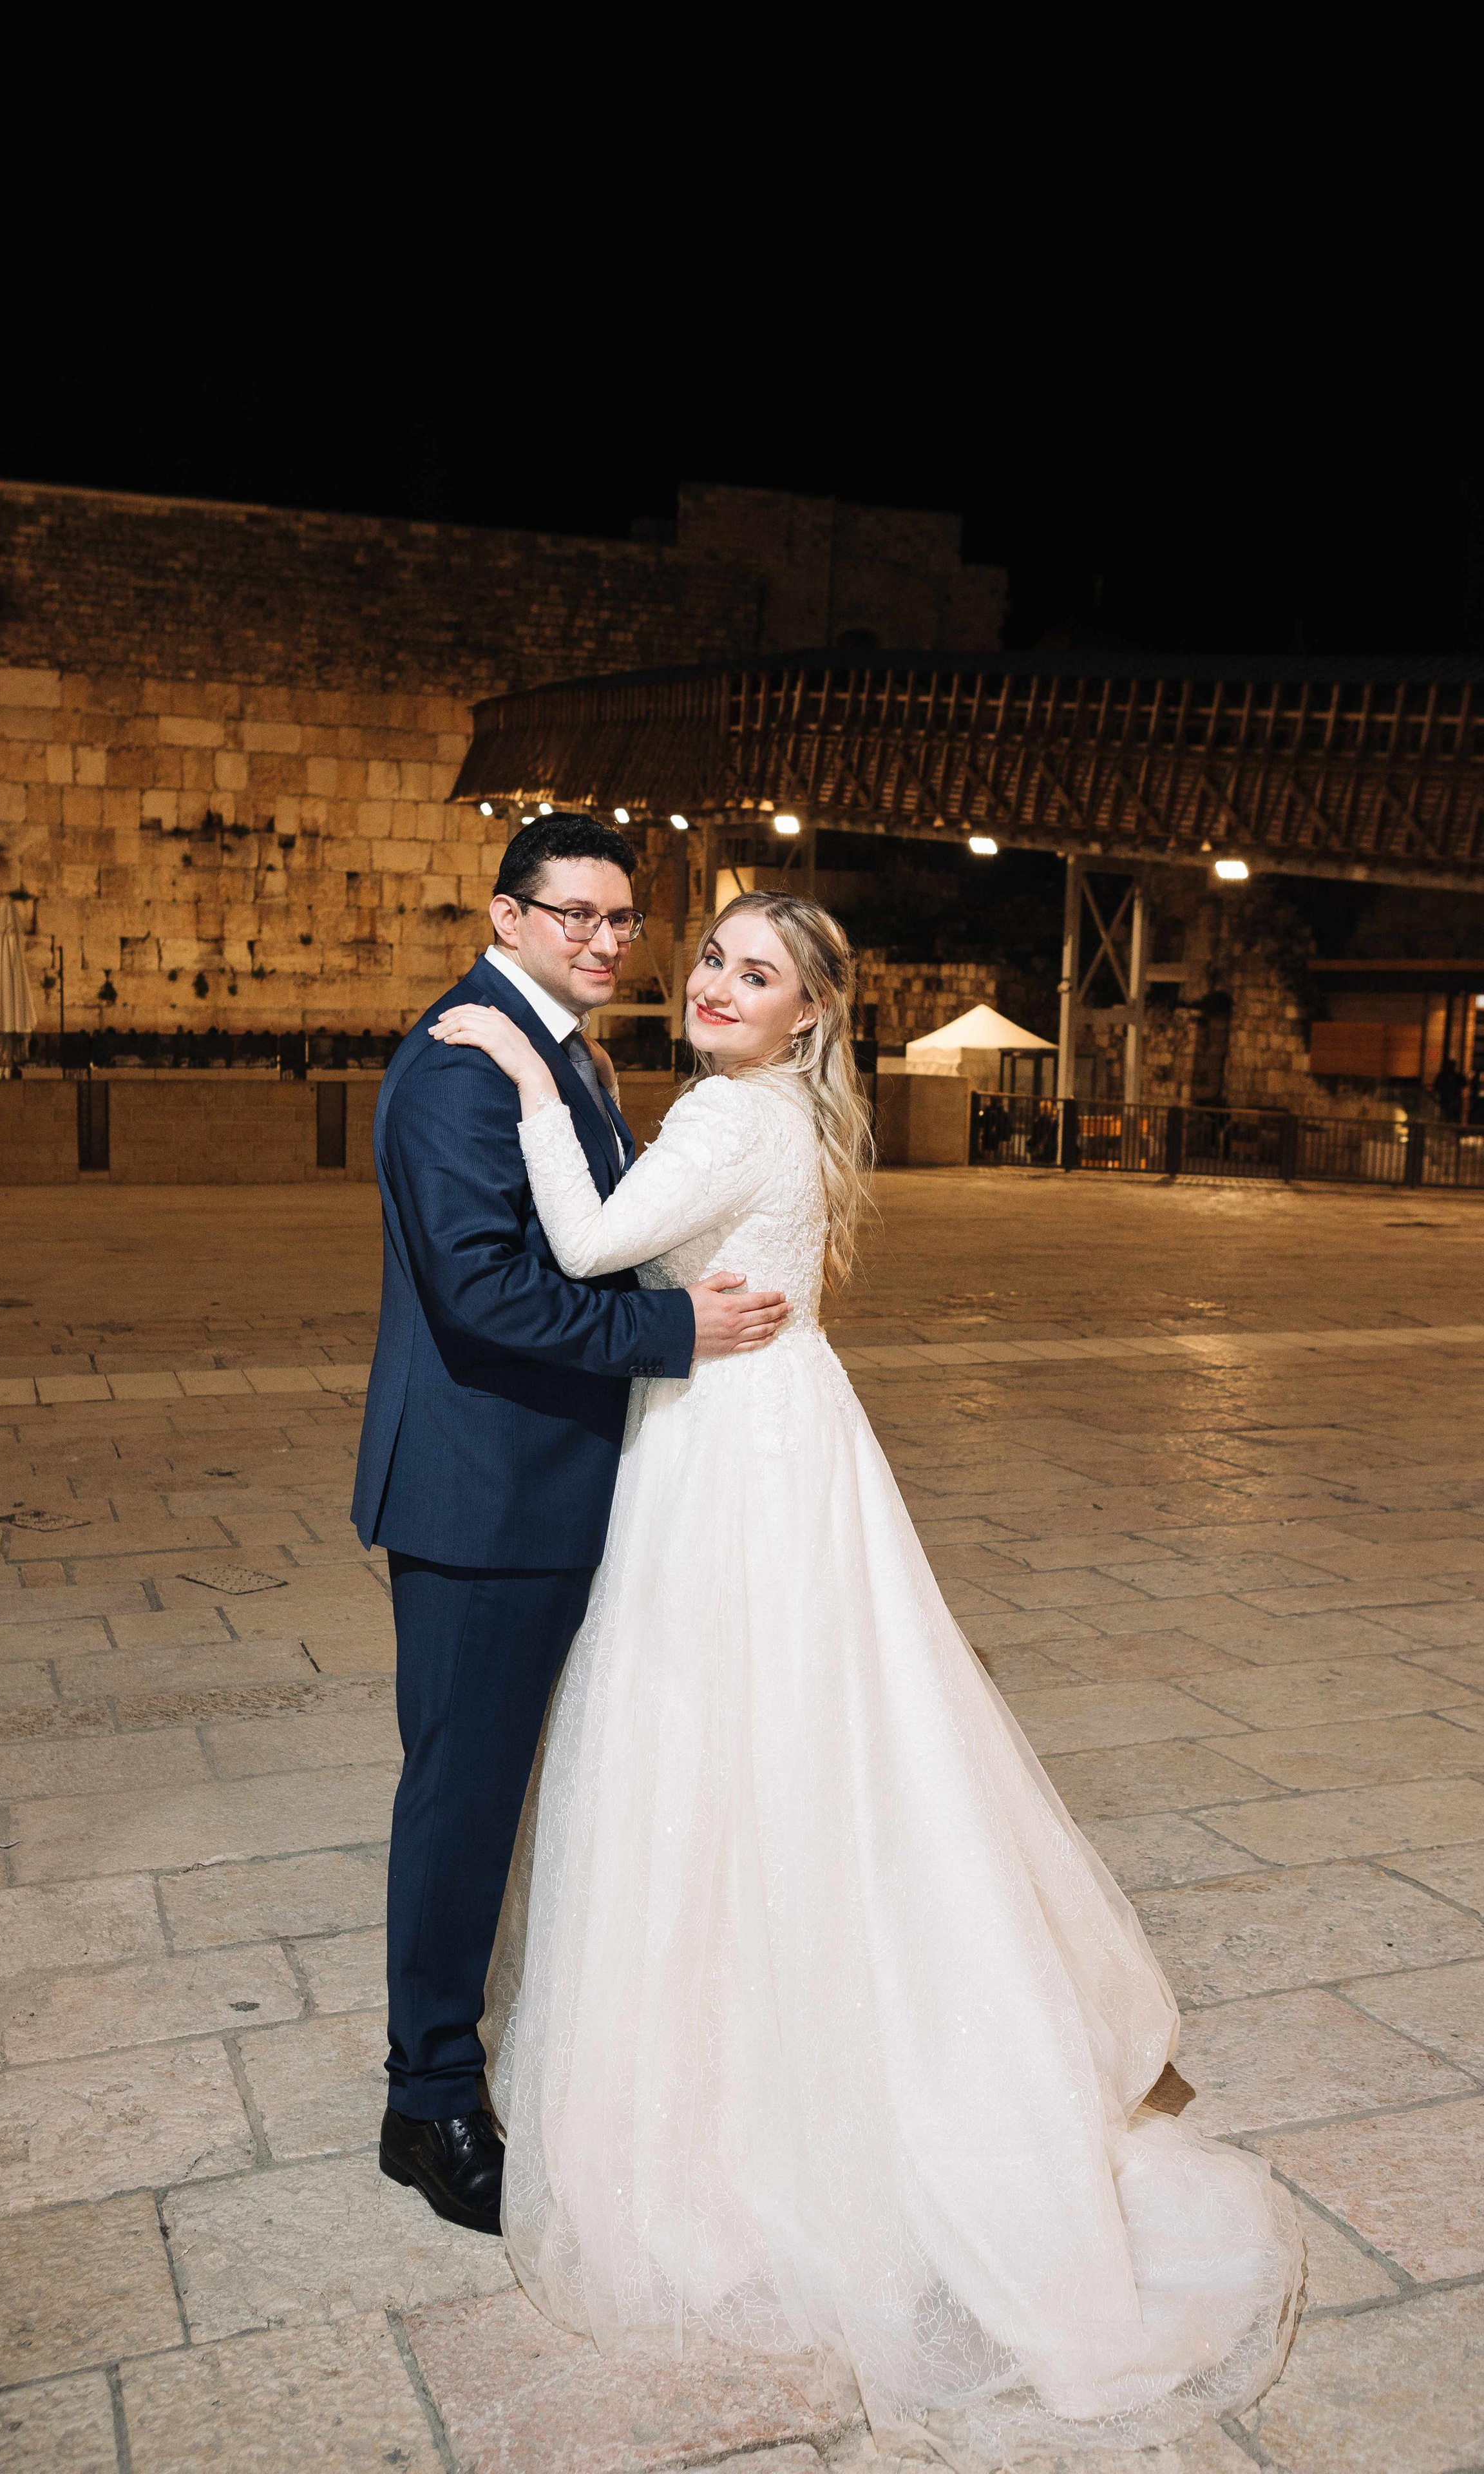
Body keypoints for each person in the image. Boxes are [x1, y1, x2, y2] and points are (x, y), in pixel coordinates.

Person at [428, 889, 1301, 2460]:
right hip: (787, 1431)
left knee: (714, 1735)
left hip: (725, 1453)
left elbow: (584, 1244)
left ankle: (751, 2099)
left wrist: (519, 1078)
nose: (713, 983)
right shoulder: (779, 1115)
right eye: (710, 957)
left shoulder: (729, 1115)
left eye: (752, 973)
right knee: (817, 1735)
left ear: (809, 1013)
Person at [351, 819, 790, 2238]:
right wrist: (676, 1332)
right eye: (575, 916)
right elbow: (481, 1293)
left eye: (622, 920)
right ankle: (428, 2104)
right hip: (483, 1498)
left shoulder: (559, 1054)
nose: (606, 941)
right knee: (462, 1799)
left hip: (558, 1482)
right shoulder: (458, 1067)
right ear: (507, 916)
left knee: (536, 1795)